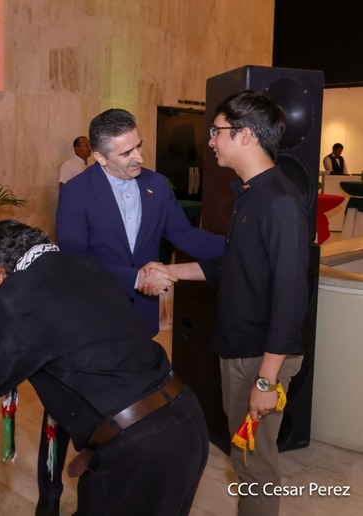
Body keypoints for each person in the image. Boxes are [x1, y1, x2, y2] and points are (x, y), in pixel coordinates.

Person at [0, 219, 209, 516]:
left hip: (139, 451)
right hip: (186, 419)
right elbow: (63, 329)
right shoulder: (86, 266)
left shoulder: (15, 296)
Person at [48, 108, 224, 513]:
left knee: (135, 406)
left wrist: (241, 244)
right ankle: (76, 488)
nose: (139, 157)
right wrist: (135, 277)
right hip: (95, 319)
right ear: (99, 156)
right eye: (126, 152)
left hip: (140, 318)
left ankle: (129, 476)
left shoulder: (156, 185)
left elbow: (184, 235)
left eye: (139, 146)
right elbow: (75, 261)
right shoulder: (76, 191)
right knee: (90, 411)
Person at [161, 90, 310, 516]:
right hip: (241, 350)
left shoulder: (280, 202)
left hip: (260, 357)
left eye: (218, 131)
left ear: (246, 135)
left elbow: (291, 299)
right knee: (245, 460)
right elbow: (233, 264)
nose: (211, 141)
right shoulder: (250, 193)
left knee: (254, 465)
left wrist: (266, 380)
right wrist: (170, 271)